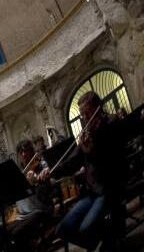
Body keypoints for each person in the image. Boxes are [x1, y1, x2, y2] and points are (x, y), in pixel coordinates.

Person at [44, 91, 128, 250]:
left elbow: (114, 160)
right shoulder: (87, 134)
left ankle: (114, 236)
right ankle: (109, 238)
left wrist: (91, 152)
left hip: (110, 186)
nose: (85, 117)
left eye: (88, 112)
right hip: (92, 192)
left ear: (99, 107)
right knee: (63, 229)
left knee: (86, 228)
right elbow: (72, 161)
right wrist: (51, 171)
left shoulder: (112, 123)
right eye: (82, 114)